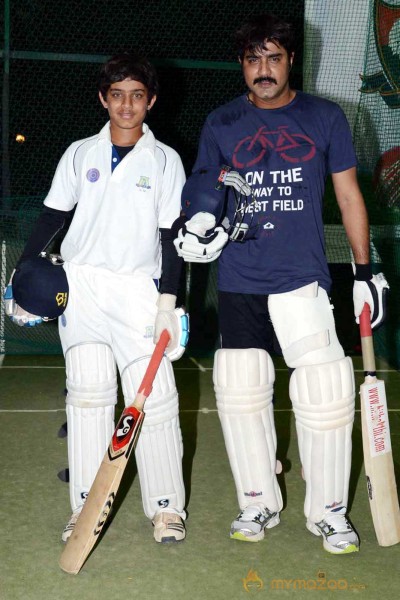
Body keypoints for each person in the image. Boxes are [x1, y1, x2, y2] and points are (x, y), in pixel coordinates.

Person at [174, 13, 389, 554]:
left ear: (291, 60)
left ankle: (329, 512)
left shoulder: (325, 117)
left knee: (325, 391)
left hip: (301, 278)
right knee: (241, 388)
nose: (263, 70)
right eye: (253, 59)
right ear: (242, 66)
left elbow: (348, 196)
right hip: (241, 277)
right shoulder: (221, 123)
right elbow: (204, 192)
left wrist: (365, 271)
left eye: (273, 57)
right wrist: (197, 228)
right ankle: (257, 500)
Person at [4, 52, 189, 544]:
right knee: (88, 397)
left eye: (136, 96)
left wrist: (171, 302)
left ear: (150, 101)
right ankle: (85, 508)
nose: (126, 105)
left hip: (139, 294)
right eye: (116, 95)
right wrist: (20, 276)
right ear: (103, 99)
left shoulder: (167, 160)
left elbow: (173, 237)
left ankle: (167, 508)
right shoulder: (79, 152)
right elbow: (50, 218)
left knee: (160, 400)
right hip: (81, 286)